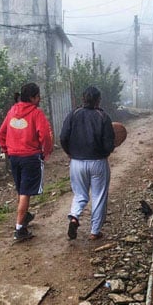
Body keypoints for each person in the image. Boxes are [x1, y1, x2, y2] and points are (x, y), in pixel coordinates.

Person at [0, 82, 53, 240]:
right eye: (38, 96)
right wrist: (46, 151)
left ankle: (24, 216)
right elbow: (45, 135)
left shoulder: (12, 111)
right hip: (30, 157)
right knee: (25, 192)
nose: (39, 98)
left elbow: (1, 132)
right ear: (32, 97)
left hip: (14, 157)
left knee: (21, 190)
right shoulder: (36, 113)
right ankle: (20, 229)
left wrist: (6, 149)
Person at [60, 86, 115, 241]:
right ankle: (95, 231)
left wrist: (69, 152)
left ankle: (74, 217)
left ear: (82, 99)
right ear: (98, 100)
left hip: (76, 162)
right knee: (99, 196)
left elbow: (63, 137)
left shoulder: (73, 114)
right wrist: (107, 152)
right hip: (98, 162)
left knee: (79, 194)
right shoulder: (103, 116)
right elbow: (109, 143)